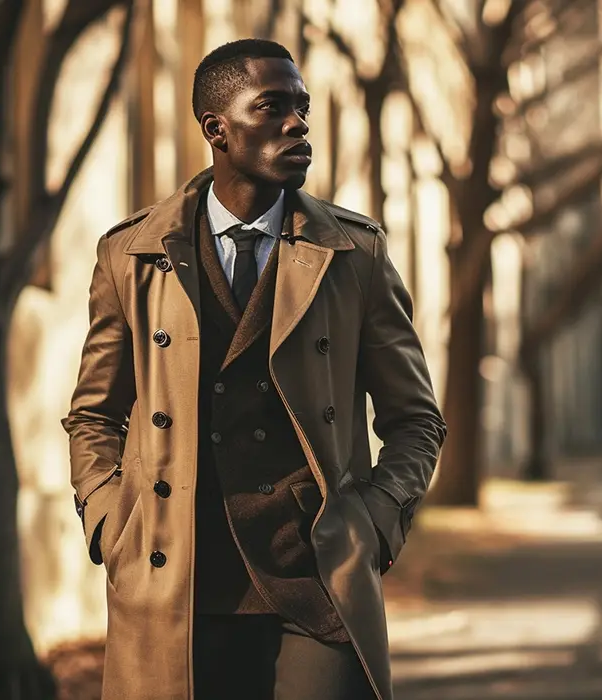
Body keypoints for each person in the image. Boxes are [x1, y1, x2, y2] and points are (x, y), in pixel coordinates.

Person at [62, 39, 446, 700]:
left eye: (302, 108)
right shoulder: (131, 254)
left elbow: (415, 420)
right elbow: (93, 414)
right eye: (272, 108)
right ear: (217, 129)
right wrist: (110, 523)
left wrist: (376, 523)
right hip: (176, 585)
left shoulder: (353, 254)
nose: (298, 123)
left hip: (316, 582)